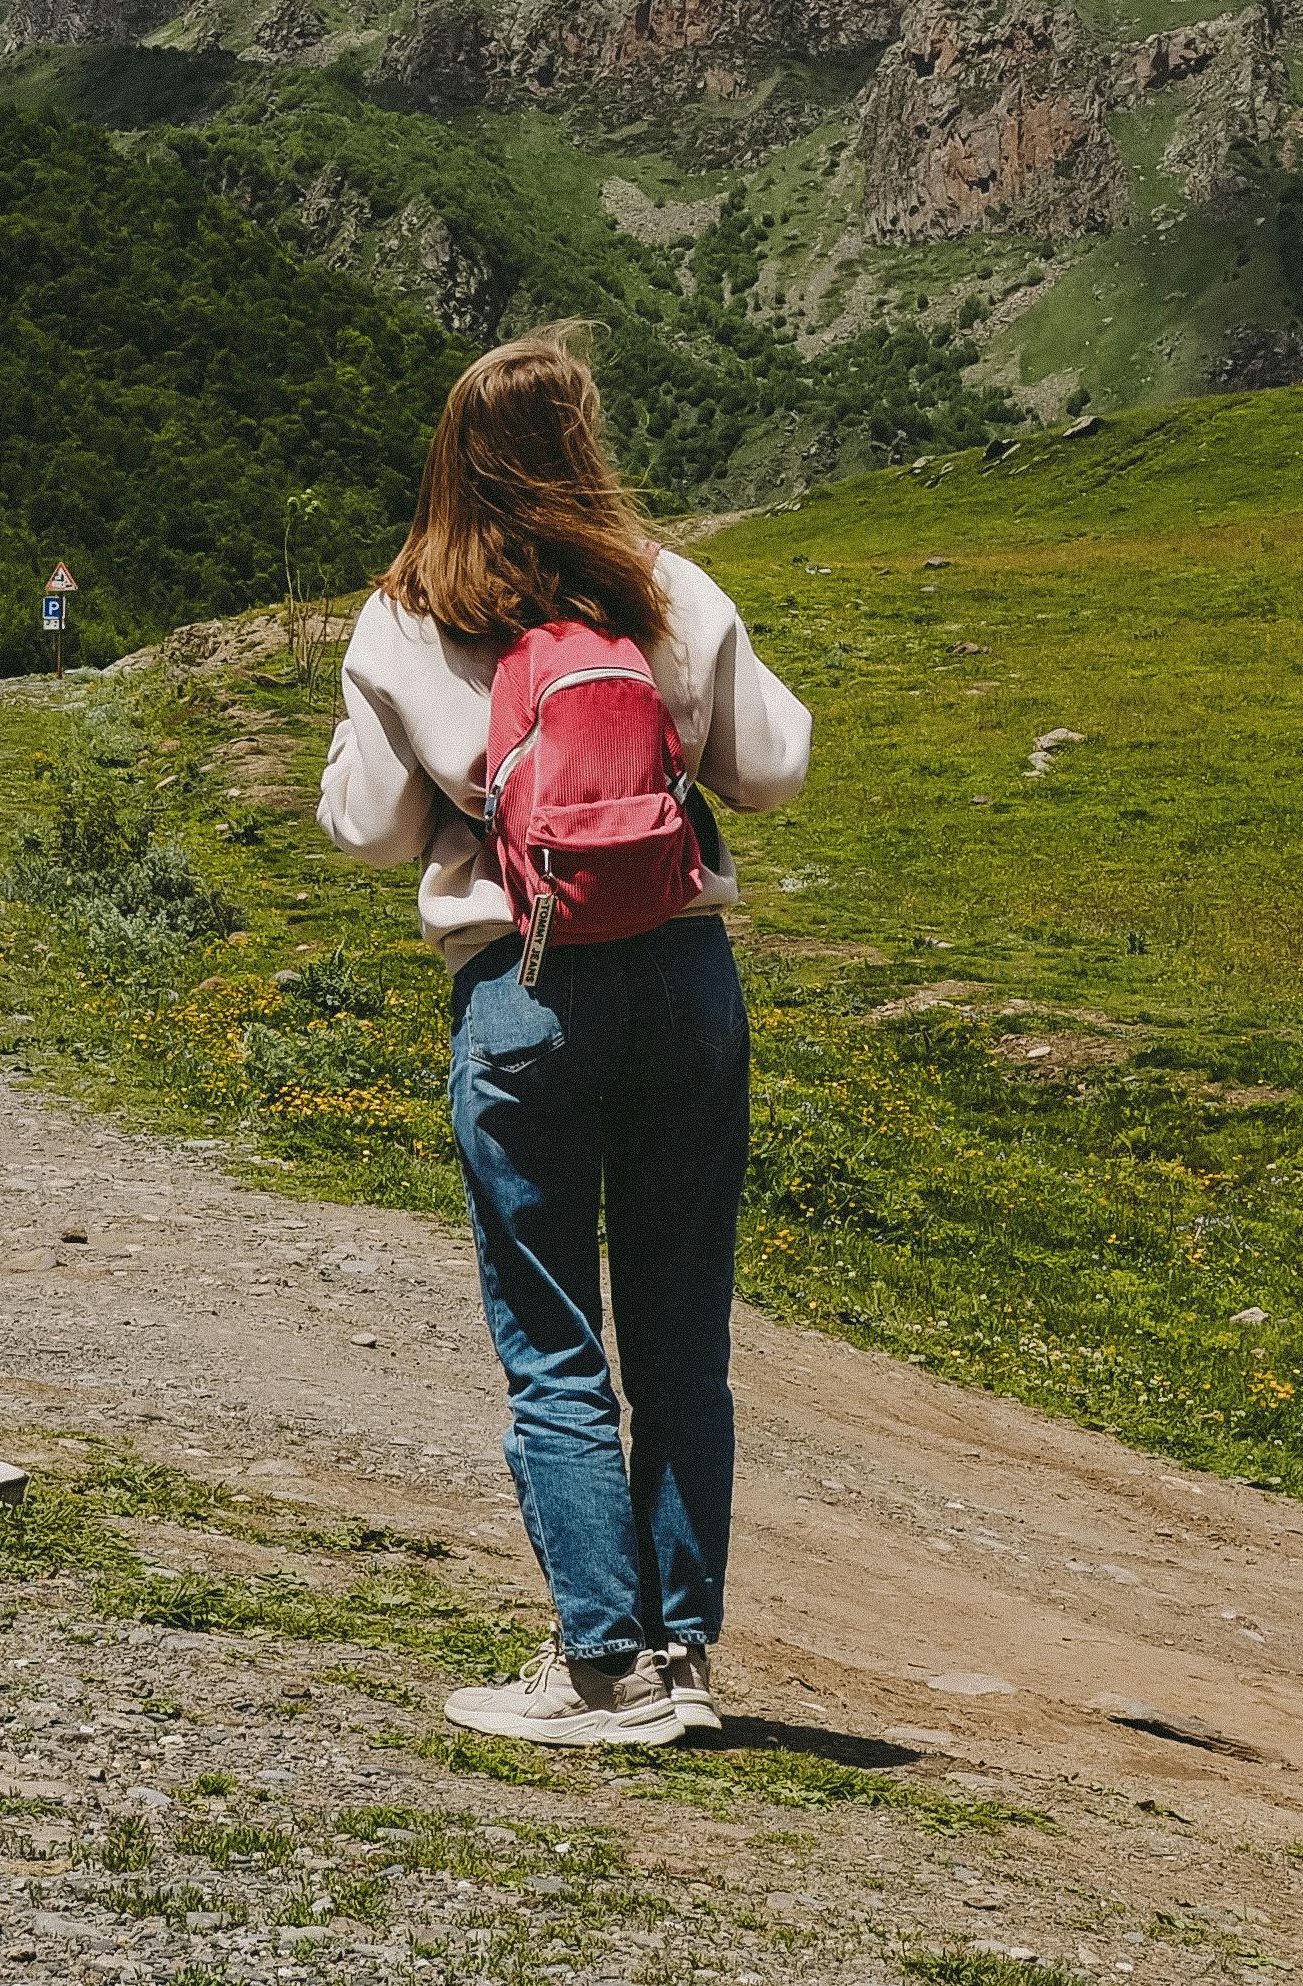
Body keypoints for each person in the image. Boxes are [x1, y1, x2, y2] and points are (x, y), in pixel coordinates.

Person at [317, 332, 811, 1748]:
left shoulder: (406, 615)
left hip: (525, 985)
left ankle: (599, 1669)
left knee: (553, 1338)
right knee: (680, 1335)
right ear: (587, 443)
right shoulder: (666, 588)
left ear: (451, 458)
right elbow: (771, 770)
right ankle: (685, 1654)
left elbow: (364, 827)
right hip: (685, 977)